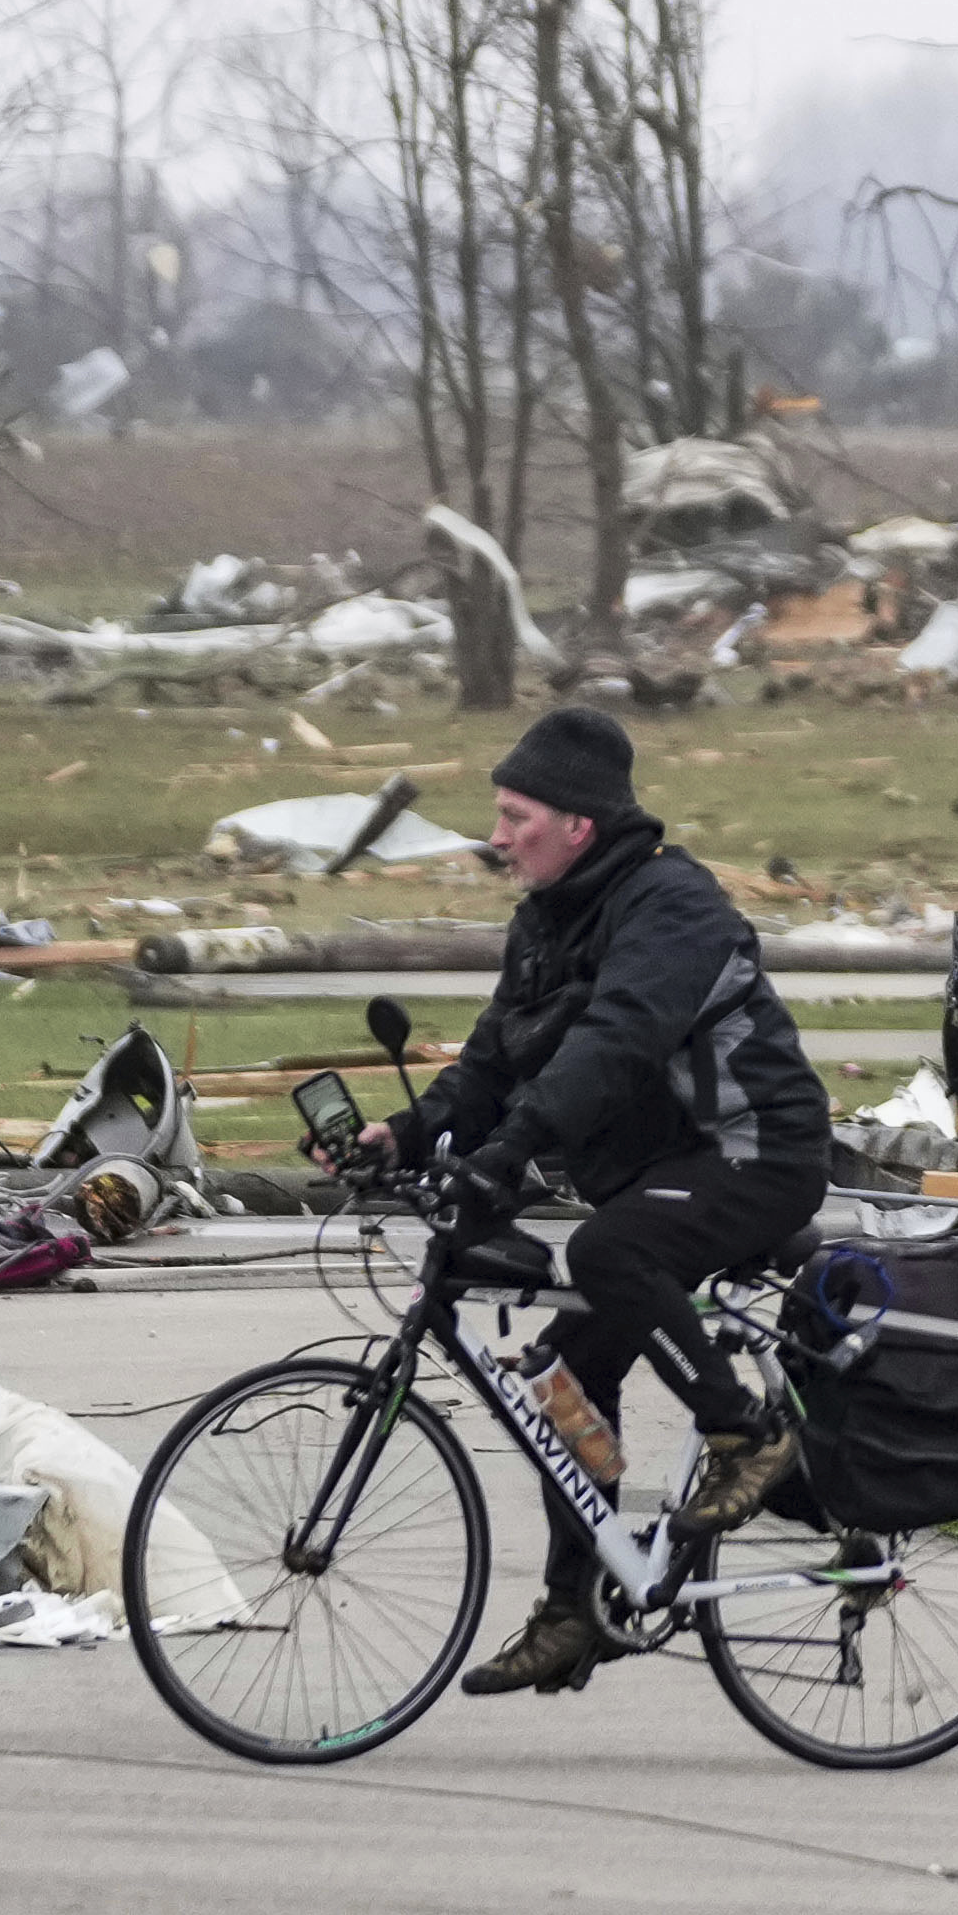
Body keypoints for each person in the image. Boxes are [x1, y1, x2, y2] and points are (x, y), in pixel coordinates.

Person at [379, 704, 838, 1697]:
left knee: (607, 1256)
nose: (497, 838)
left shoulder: (671, 907)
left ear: (578, 824)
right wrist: (404, 1134)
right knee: (564, 1386)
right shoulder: (548, 920)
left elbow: (615, 1041)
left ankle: (747, 1437)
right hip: (658, 1173)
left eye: (515, 816)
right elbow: (500, 1054)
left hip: (752, 1152)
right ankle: (577, 1605)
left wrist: (512, 1154)